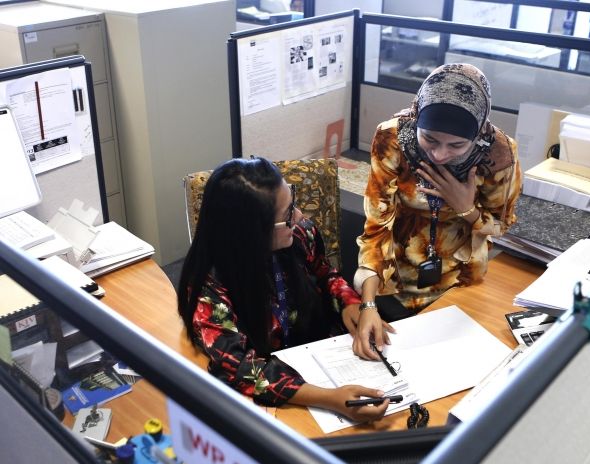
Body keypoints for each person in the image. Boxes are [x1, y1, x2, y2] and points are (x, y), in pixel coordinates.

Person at [177, 157, 389, 422]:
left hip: (319, 356)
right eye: (287, 214)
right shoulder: (209, 287)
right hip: (279, 398)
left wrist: (350, 302)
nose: (299, 216)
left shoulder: (301, 234)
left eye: (294, 202)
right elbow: (240, 366)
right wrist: (330, 398)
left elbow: (325, 273)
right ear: (251, 232)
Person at [353, 63, 522, 360]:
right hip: (393, 281)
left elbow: (501, 226)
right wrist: (367, 305)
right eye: (429, 139)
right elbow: (376, 227)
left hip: (459, 281)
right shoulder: (391, 139)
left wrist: (466, 208)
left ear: (479, 130)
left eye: (456, 145)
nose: (440, 155)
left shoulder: (499, 155)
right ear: (417, 118)